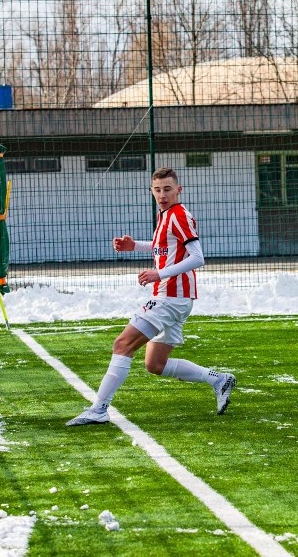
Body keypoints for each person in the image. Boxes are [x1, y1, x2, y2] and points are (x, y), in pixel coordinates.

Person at [67, 167, 236, 426]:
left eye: (167, 189)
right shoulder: (165, 215)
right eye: (157, 190)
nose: (162, 195)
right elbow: (166, 245)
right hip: (177, 298)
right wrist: (135, 246)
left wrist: (160, 274)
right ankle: (219, 379)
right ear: (151, 191)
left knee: (122, 345)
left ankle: (99, 409)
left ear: (179, 190)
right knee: (156, 364)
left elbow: (198, 257)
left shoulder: (178, 214)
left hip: (170, 296)